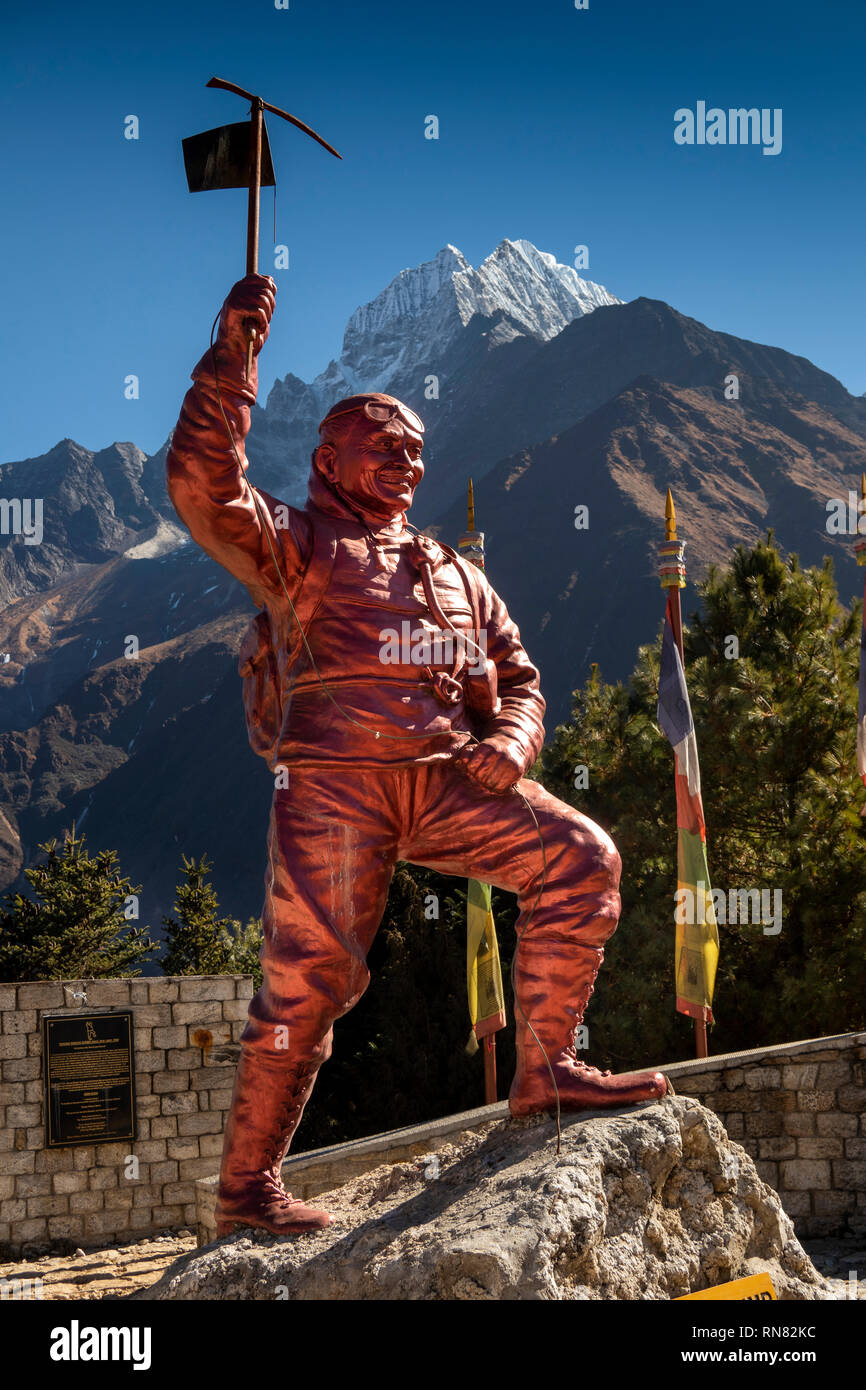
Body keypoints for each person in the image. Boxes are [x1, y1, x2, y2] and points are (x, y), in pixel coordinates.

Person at [166, 274, 668, 1238]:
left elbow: (520, 680)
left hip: (447, 782)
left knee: (583, 861)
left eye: (416, 450)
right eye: (382, 446)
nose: (405, 461)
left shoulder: (459, 575)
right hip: (334, 789)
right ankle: (245, 1194)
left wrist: (512, 746)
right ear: (328, 459)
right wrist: (234, 355)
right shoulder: (296, 547)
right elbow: (202, 484)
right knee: (308, 978)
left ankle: (545, 1073)